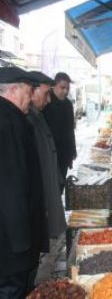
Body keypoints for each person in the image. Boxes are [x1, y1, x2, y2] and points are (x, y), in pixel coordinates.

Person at [0, 67, 48, 299]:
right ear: (13, 89)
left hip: (11, 240)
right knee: (12, 290)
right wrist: (23, 243)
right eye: (29, 91)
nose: (31, 97)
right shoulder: (9, 122)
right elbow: (11, 184)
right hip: (11, 244)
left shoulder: (11, 117)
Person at [27, 71, 66, 238]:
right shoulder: (27, 120)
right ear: (32, 92)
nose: (48, 100)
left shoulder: (37, 116)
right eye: (46, 94)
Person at [43, 72, 76, 192]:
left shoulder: (68, 104)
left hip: (64, 152)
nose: (65, 91)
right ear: (53, 86)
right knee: (51, 186)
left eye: (67, 88)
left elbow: (70, 129)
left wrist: (72, 151)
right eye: (62, 88)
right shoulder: (46, 102)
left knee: (60, 184)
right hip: (50, 152)